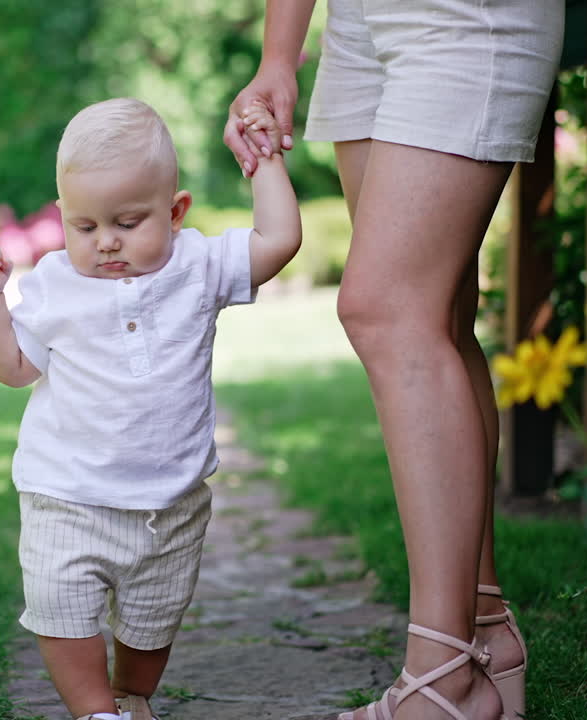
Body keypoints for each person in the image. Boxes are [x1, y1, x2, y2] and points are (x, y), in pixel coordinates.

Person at [223, 2, 562, 720]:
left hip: (466, 16)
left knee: (386, 309)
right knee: (435, 315)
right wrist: (279, 57)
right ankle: (483, 637)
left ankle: (441, 678)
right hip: (360, 24)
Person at [0, 97, 300, 720]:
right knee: (61, 609)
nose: (106, 242)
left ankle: (131, 694)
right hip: (67, 496)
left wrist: (265, 163)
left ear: (175, 212)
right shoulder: (56, 284)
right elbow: (13, 368)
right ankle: (96, 711)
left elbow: (279, 240)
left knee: (149, 631)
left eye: (128, 222)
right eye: (85, 227)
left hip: (169, 506)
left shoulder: (199, 266)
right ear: (63, 218)